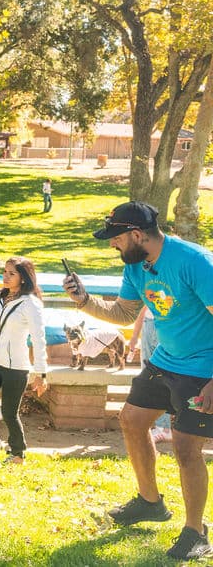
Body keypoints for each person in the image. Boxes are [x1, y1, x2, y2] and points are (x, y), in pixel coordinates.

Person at [63, 201, 213, 560]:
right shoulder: (137, 266)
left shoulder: (195, 262)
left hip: (203, 368)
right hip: (165, 360)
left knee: (185, 448)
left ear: (136, 234)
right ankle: (150, 502)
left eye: (115, 238)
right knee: (131, 420)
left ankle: (196, 531)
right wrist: (84, 301)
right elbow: (125, 313)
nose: (111, 244)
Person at [0, 256, 47, 465]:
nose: (5, 277)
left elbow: (39, 339)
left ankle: (17, 452)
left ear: (23, 278)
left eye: (11, 273)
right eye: (5, 272)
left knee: (9, 413)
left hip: (16, 367)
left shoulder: (31, 304)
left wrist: (41, 373)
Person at [128, 308, 172, 442]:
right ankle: (162, 426)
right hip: (149, 322)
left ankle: (165, 428)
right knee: (150, 374)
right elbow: (143, 306)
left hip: (168, 322)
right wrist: (135, 336)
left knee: (162, 374)